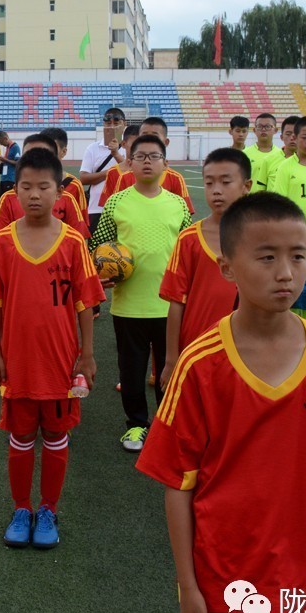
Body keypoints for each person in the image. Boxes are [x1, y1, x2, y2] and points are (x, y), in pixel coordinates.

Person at [138, 191, 306, 613]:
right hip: (222, 587)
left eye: (297, 256)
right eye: (266, 257)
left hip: (302, 586)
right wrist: (187, 586)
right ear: (227, 267)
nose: (286, 273)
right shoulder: (201, 364)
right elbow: (178, 482)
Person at [0, 148, 102, 549]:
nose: (33, 195)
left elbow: (85, 304)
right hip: (18, 361)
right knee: (21, 436)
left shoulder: (73, 242)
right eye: (25, 186)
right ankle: (21, 507)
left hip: (62, 363)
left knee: (57, 436)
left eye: (43, 187)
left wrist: (87, 355)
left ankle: (48, 508)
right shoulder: (4, 242)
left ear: (59, 193)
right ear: (15, 192)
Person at [93, 134, 192, 452]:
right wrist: (104, 271)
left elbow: (189, 252)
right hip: (128, 305)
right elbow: (99, 247)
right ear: (130, 163)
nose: (147, 161)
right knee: (132, 371)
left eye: (154, 156)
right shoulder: (116, 202)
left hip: (170, 307)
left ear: (165, 163)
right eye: (141, 156)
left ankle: (165, 426)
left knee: (170, 369)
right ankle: (136, 425)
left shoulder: (178, 205)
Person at [160, 148, 253, 388]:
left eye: (225, 181)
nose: (216, 190)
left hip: (248, 351)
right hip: (197, 348)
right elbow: (176, 302)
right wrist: (171, 359)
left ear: (247, 185)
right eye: (209, 183)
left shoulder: (263, 238)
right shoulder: (189, 239)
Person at [268, 116, 306, 323]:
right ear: (295, 138)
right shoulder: (285, 167)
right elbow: (279, 204)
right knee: (289, 293)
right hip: (292, 243)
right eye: (305, 137)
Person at [100, 119, 195, 214]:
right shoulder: (125, 177)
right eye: (144, 135)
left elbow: (185, 214)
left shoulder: (175, 178)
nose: (149, 138)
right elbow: (113, 211)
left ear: (166, 142)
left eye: (154, 135)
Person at [255, 115, 298, 193]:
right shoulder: (268, 160)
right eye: (288, 134)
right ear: (281, 137)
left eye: (296, 134)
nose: (292, 138)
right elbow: (261, 190)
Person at [243, 113, 282, 188]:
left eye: (267, 127)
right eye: (260, 127)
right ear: (254, 130)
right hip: (250, 198)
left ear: (276, 130)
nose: (263, 130)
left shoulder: (281, 155)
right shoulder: (244, 155)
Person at [0, 131, 21, 199]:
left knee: (9, 199)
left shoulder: (15, 147)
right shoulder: (7, 147)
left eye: (1, 142)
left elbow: (18, 163)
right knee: (0, 199)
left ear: (5, 138)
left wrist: (4, 159)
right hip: (4, 178)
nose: (1, 144)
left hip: (11, 178)